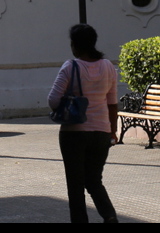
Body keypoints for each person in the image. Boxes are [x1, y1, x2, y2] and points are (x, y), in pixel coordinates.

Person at [48, 24, 119, 223]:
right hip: (102, 131)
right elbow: (112, 103)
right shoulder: (108, 67)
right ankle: (109, 216)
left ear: (75, 45)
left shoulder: (70, 67)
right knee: (94, 180)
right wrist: (113, 132)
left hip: (74, 132)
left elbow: (53, 100)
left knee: (75, 184)